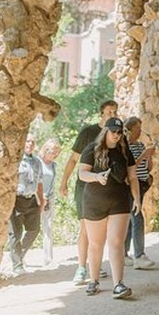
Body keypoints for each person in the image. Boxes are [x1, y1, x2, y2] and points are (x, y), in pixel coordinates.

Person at [78, 117, 139, 299]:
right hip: (94, 200)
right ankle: (93, 280)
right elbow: (82, 174)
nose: (117, 135)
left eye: (120, 132)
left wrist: (137, 199)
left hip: (119, 201)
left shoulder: (124, 150)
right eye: (114, 131)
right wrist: (97, 177)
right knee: (96, 243)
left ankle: (118, 284)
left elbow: (133, 176)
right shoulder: (92, 148)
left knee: (116, 242)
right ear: (106, 131)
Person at [59, 100, 118, 285]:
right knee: (85, 228)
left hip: (106, 189)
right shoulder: (88, 132)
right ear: (101, 113)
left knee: (103, 230)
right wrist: (64, 182)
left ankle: (95, 264)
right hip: (85, 187)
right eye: (109, 111)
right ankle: (81, 268)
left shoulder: (116, 134)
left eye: (115, 112)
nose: (112, 114)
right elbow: (73, 160)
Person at [8, 133, 45, 276]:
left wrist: (41, 200)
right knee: (15, 233)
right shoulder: (15, 160)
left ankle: (17, 254)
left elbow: (40, 182)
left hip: (31, 199)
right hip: (17, 200)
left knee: (34, 230)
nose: (30, 144)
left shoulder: (37, 162)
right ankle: (17, 264)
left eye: (32, 142)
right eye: (27, 141)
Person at [123, 116, 156, 270]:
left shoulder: (141, 145)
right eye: (137, 128)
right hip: (131, 185)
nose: (140, 131)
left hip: (142, 184)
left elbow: (147, 167)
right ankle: (139, 255)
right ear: (129, 129)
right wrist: (144, 155)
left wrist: (149, 156)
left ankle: (124, 253)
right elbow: (130, 167)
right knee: (137, 218)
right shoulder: (125, 147)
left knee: (131, 220)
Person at [39, 138, 61, 268]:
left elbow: (52, 183)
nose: (55, 154)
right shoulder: (38, 162)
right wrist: (41, 197)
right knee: (32, 228)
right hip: (37, 198)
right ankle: (21, 257)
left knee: (48, 227)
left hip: (49, 198)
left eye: (56, 152)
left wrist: (49, 197)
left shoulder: (54, 165)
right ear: (46, 150)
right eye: (53, 151)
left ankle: (48, 259)